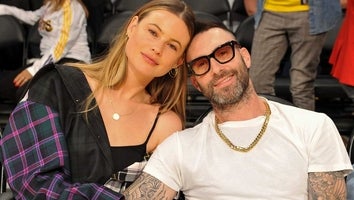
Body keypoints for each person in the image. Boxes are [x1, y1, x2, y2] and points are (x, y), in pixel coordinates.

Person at [123, 22, 353, 199]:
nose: (216, 69)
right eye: (202, 65)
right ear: (196, 83)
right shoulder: (180, 147)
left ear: (245, 56)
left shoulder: (313, 126)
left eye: (223, 53)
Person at [0, 0, 195, 199]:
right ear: (132, 26)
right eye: (153, 32)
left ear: (178, 61)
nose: (157, 48)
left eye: (172, 45)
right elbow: (32, 183)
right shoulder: (57, 84)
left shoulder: (167, 124)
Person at [249, 0, 342, 111]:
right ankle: (270, 125)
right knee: (258, 80)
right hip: (268, 10)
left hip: (310, 11)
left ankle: (305, 127)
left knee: (301, 84)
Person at [0, 0, 91, 102]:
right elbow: (31, 17)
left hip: (71, 63)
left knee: (27, 91)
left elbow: (61, 47)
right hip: (49, 62)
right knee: (5, 84)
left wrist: (33, 70)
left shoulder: (72, 7)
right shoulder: (51, 5)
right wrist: (4, 9)